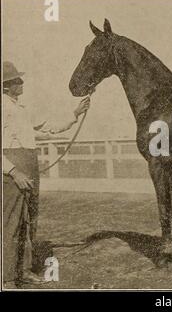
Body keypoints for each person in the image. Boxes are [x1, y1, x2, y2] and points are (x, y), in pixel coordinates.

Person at [2, 61, 90, 288]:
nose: (21, 83)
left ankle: (24, 270)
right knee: (11, 224)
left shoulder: (19, 109)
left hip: (29, 166)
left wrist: (75, 114)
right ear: (6, 86)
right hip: (13, 170)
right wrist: (13, 172)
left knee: (28, 222)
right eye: (16, 80)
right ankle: (8, 278)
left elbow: (46, 128)